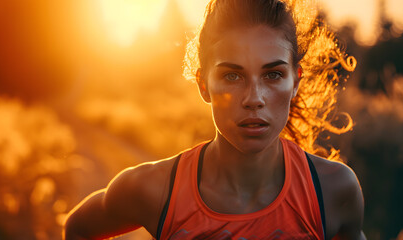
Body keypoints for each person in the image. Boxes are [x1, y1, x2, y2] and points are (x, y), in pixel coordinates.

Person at [64, 0, 365, 239]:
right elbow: (78, 228)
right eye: (232, 75)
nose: (254, 98)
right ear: (203, 85)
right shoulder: (155, 191)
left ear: (295, 82)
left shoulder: (332, 191)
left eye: (273, 74)